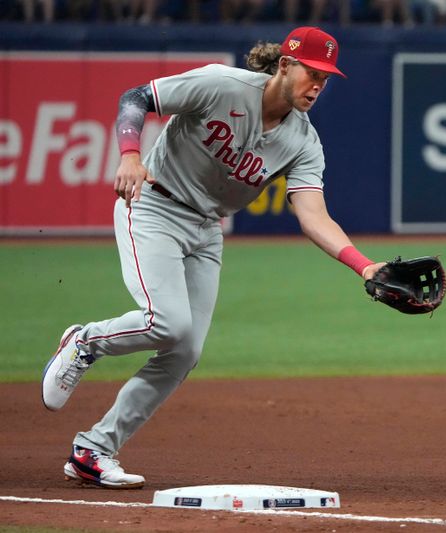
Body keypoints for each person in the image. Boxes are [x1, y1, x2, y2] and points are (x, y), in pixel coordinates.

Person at [41, 26, 386, 488]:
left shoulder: (303, 142)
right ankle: (85, 342)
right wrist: (129, 154)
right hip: (153, 206)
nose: (319, 85)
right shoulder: (222, 84)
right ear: (285, 65)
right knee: (168, 323)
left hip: (206, 231)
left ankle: (94, 450)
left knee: (185, 350)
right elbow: (136, 96)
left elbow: (314, 215)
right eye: (313, 72)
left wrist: (365, 265)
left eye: (326, 77)